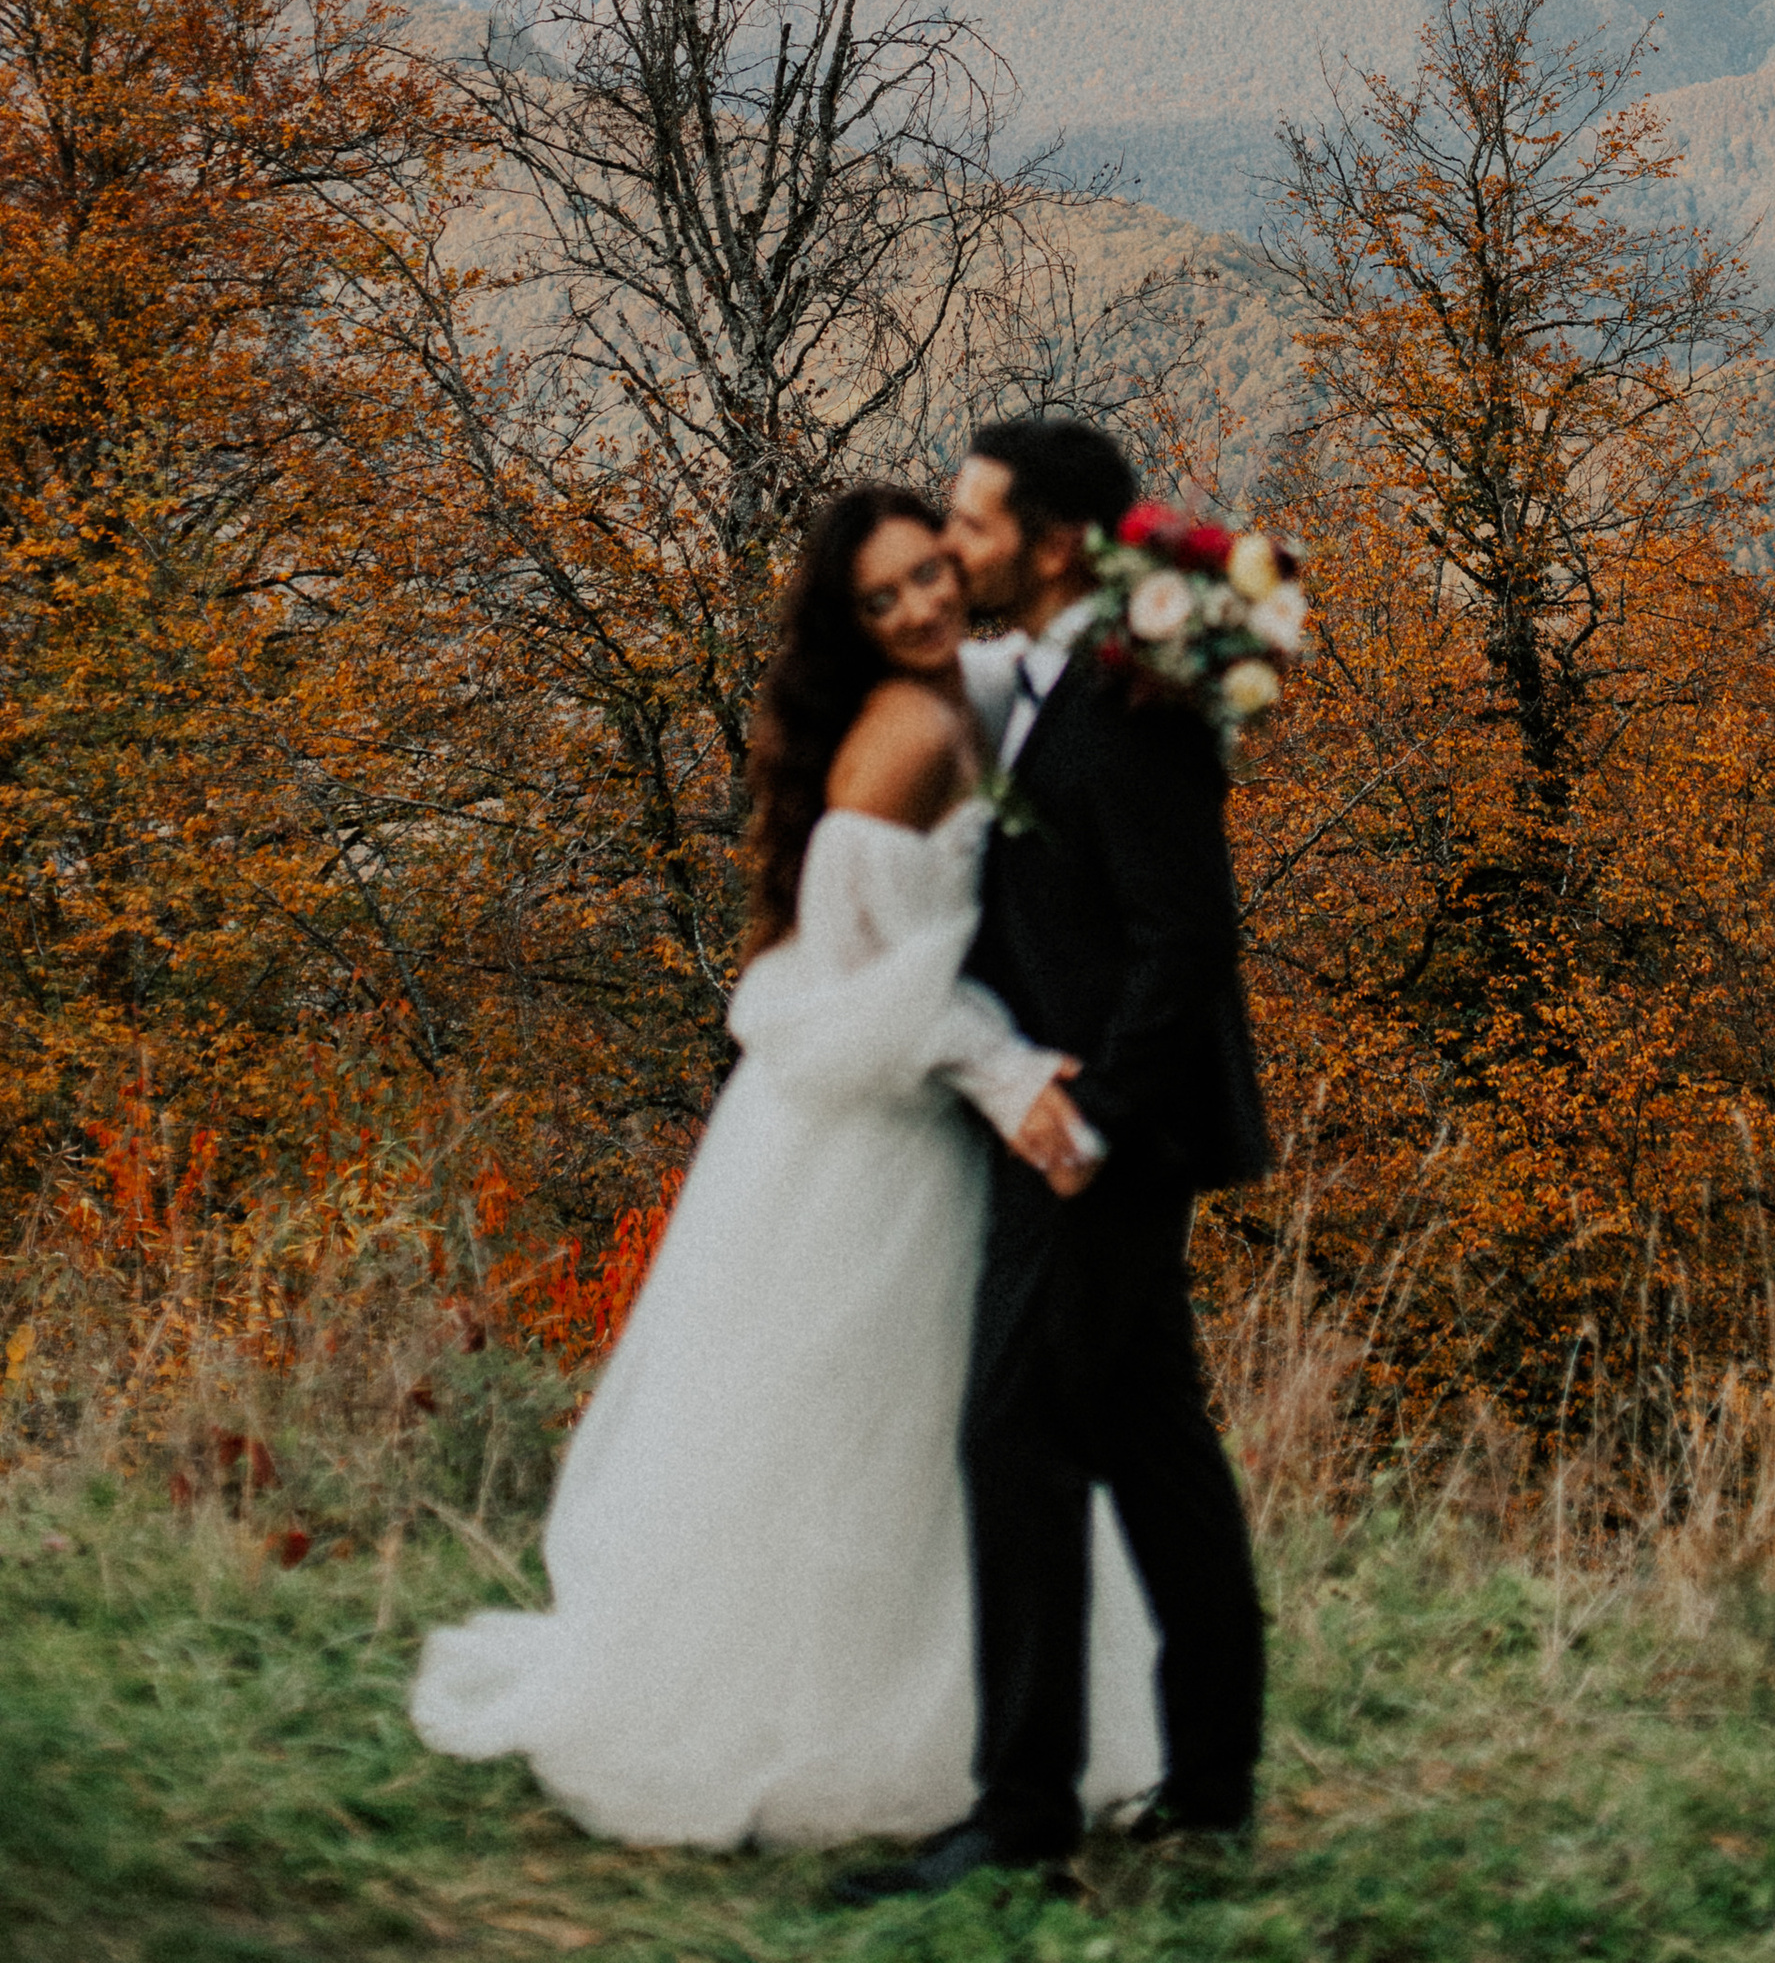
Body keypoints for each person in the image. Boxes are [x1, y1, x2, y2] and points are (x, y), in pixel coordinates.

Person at [408, 482, 1160, 1848]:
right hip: (870, 1137)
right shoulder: (897, 743)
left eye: (933, 573)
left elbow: (1058, 656)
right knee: (866, 1426)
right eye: (887, 599)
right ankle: (833, 1725)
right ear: (853, 624)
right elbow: (870, 986)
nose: (925, 606)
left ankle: (970, 1718)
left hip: (903, 1117)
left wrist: (1195, 604)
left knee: (944, 1429)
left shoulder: (964, 686)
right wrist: (1008, 1079)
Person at [826, 416, 1271, 1911]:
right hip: (1090, 1131)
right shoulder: (1063, 677)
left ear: (1056, 540)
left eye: (975, 520)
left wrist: (1090, 1116)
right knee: (1156, 1454)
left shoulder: (1124, 697)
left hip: (1095, 1144)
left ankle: (1021, 1816)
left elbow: (1185, 933)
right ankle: (1209, 1791)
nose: (954, 544)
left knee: (1014, 1443)